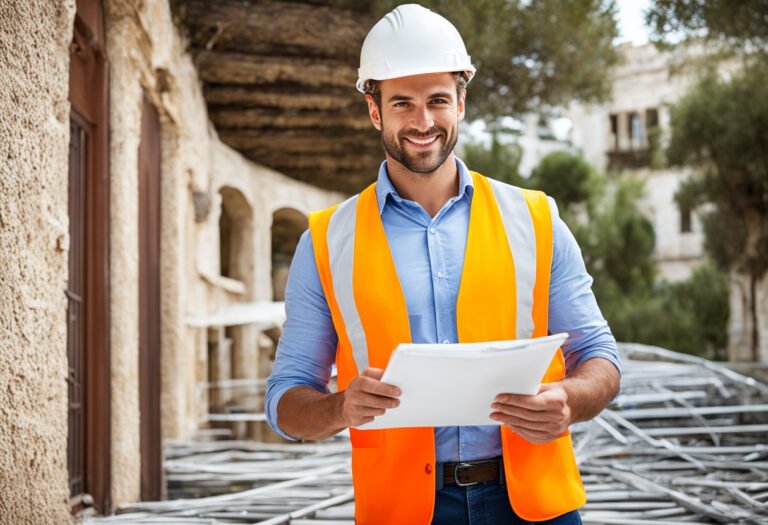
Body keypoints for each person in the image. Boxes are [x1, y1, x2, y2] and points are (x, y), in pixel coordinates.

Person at [266, 4, 621, 524]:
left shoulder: (536, 219)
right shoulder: (325, 242)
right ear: (374, 110)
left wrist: (567, 399)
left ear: (461, 101)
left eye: (437, 100)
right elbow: (285, 402)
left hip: (536, 506)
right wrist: (341, 407)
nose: (423, 121)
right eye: (402, 103)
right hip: (404, 511)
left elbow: (601, 358)